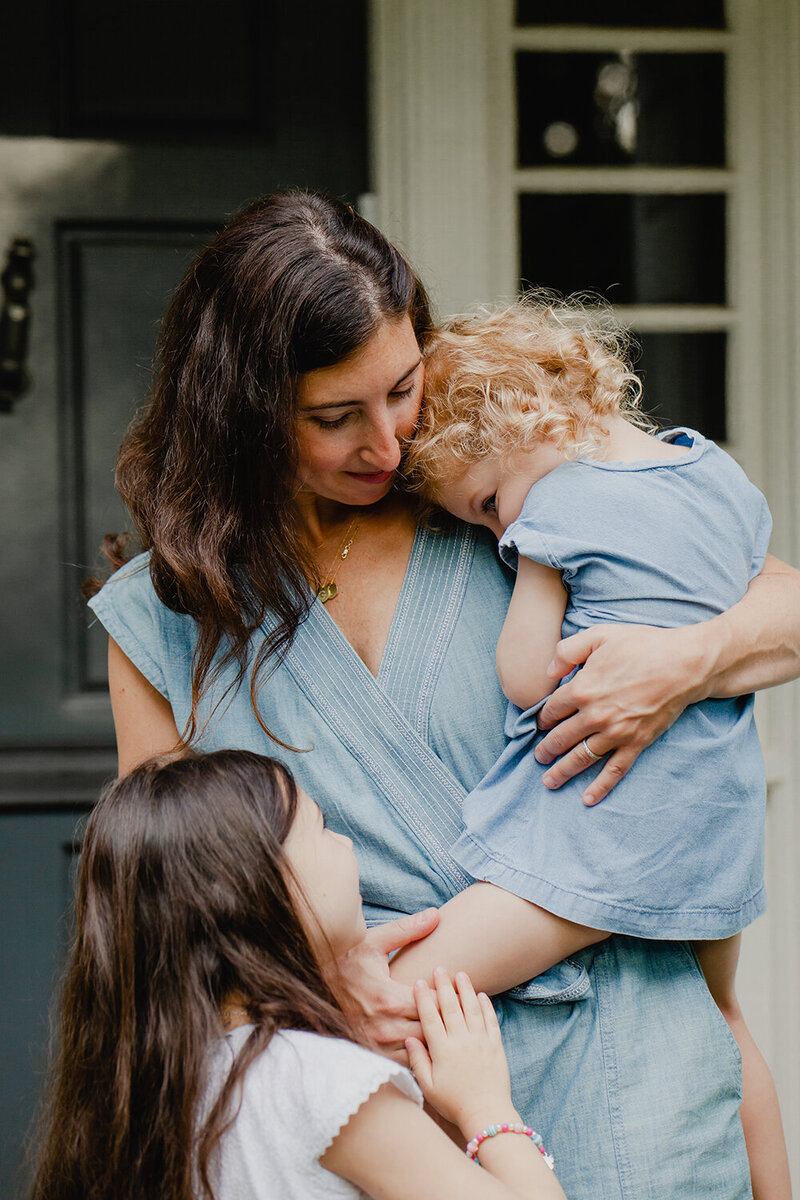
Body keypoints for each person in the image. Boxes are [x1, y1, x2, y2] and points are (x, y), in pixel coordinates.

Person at [86, 189, 800, 1199]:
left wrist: (693, 656)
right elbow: (177, 924)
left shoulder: (498, 495)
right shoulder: (164, 618)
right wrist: (326, 992)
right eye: (335, 418)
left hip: (632, 1081)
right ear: (241, 414)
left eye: (403, 388)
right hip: (387, 1120)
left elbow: (779, 600)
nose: (387, 443)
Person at [400, 298, 792, 1199]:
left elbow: (528, 677)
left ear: (517, 418)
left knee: (402, 994)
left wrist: (529, 562)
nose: (496, 532)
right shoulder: (713, 472)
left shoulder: (556, 509)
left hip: (596, 829)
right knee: (725, 1015)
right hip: (712, 820)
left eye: (487, 504)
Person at [30, 750, 566, 1200]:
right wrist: (485, 1104)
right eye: (321, 828)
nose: (348, 845)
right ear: (256, 888)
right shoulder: (330, 1086)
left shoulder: (165, 1087)